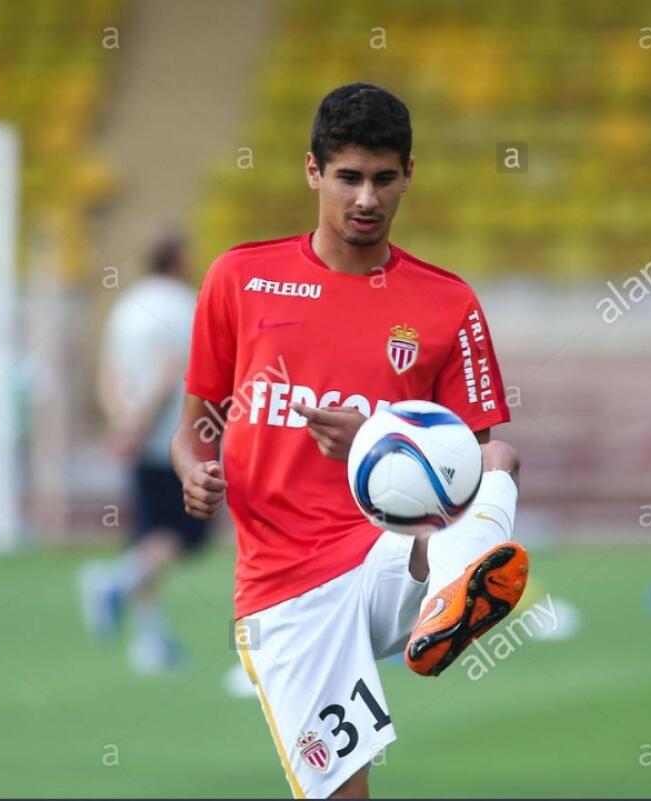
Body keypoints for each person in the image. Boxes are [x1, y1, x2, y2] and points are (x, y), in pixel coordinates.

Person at [171, 84, 528, 798]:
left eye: (384, 178)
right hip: (288, 587)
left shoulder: (447, 303)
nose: (367, 198)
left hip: (388, 551)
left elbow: (474, 458)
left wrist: (373, 439)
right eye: (349, 177)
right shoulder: (241, 279)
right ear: (313, 171)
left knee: (499, 462)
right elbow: (194, 427)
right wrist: (193, 472)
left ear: (409, 175)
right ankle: (451, 585)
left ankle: (453, 592)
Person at [78, 233, 209, 675]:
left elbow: (111, 373)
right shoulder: (182, 305)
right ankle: (115, 581)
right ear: (177, 259)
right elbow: (170, 375)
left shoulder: (127, 305)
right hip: (174, 439)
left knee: (148, 537)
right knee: (184, 536)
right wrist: (142, 425)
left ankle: (150, 641)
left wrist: (122, 423)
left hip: (138, 437)